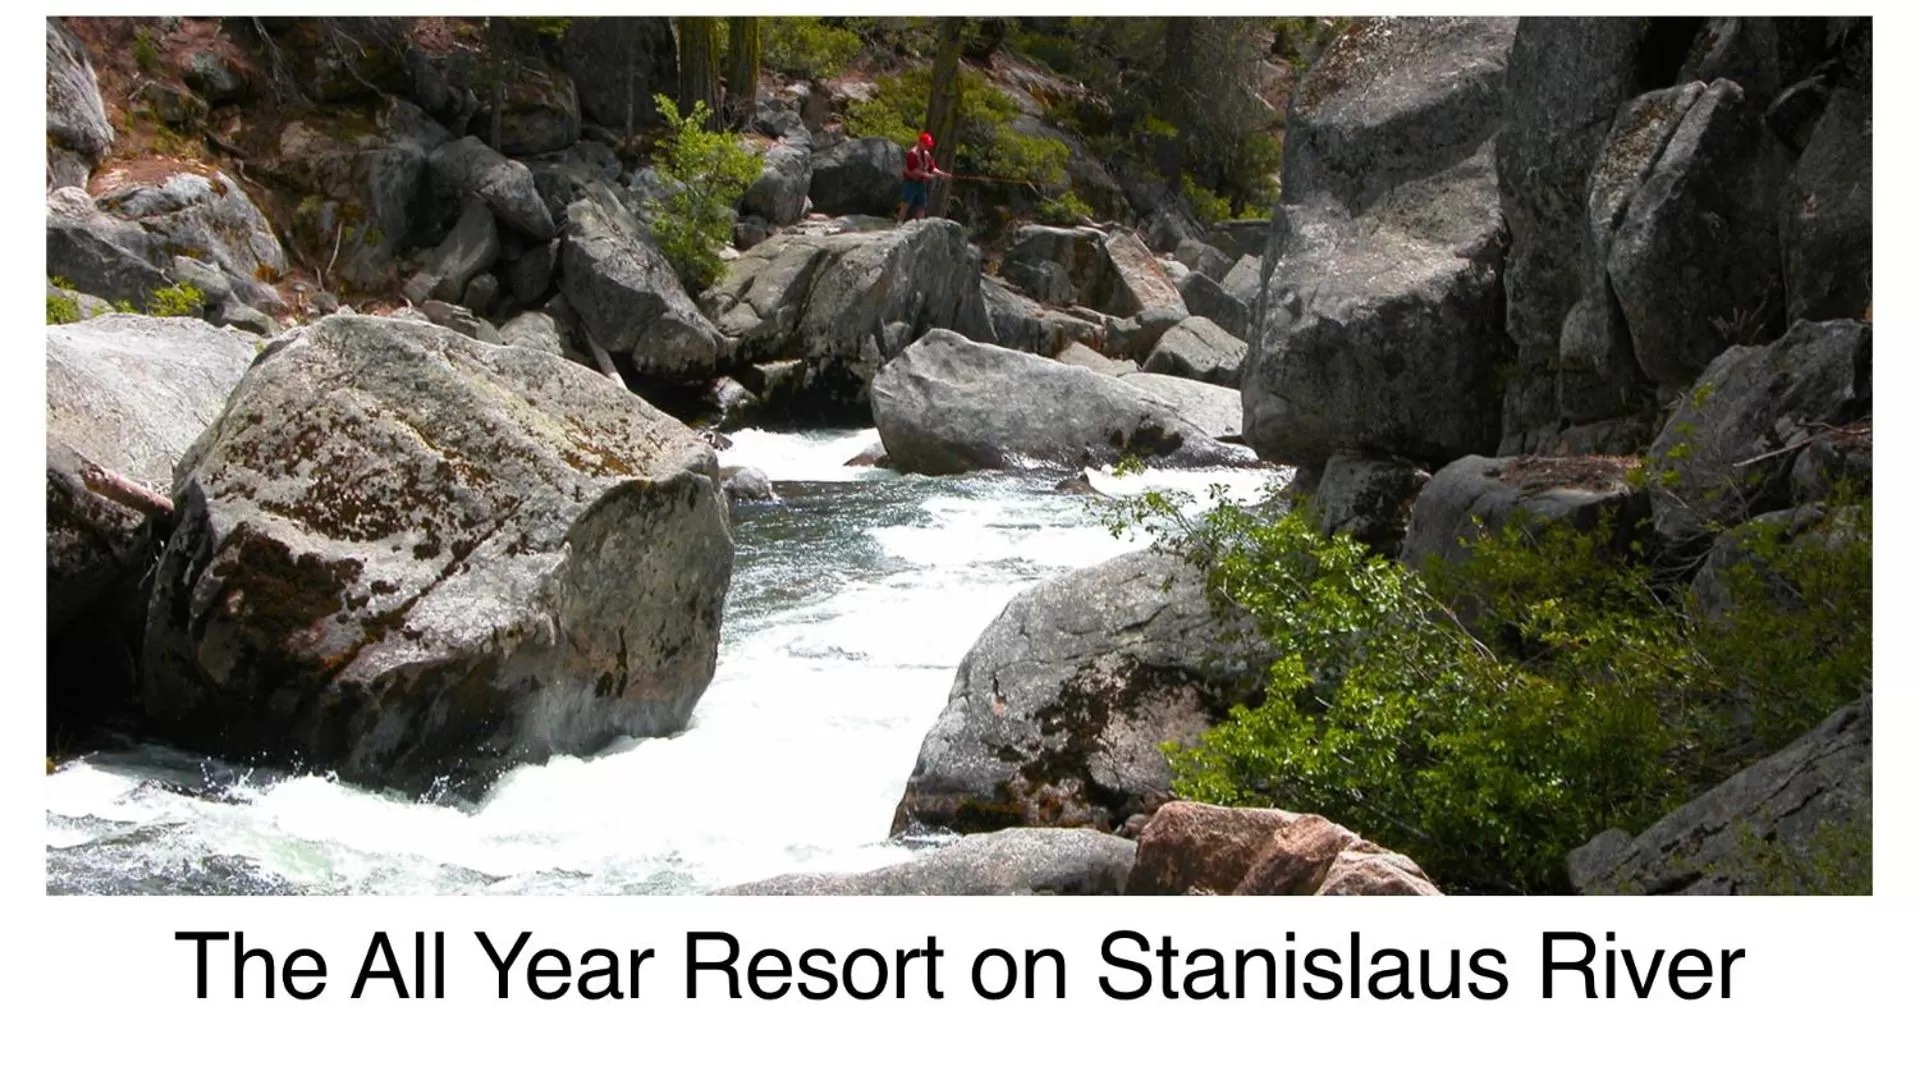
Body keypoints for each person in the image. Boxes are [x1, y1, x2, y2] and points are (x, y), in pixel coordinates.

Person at [897, 130, 950, 223]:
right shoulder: (912, 154)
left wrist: (943, 174)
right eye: (926, 144)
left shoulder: (926, 154)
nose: (928, 146)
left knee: (922, 204)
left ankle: (920, 224)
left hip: (921, 183)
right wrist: (927, 175)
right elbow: (912, 169)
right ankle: (899, 222)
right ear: (920, 143)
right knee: (906, 203)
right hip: (910, 182)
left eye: (929, 144)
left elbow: (932, 168)